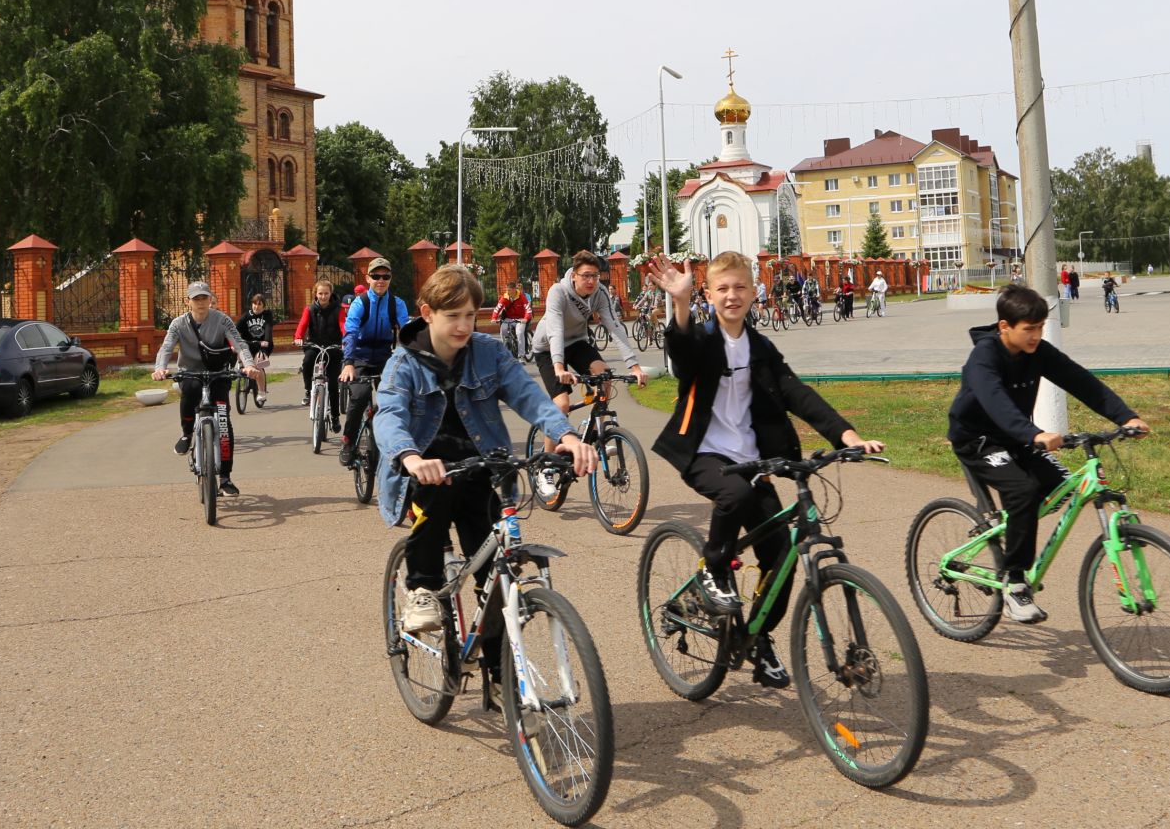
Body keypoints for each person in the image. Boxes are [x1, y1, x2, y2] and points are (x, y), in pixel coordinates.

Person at [646, 251, 883, 688]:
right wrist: (679, 305)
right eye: (722, 288)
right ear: (709, 294)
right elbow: (681, 353)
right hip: (705, 454)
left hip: (753, 460)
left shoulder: (761, 346)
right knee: (734, 495)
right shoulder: (703, 338)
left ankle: (757, 639)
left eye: (739, 287)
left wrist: (846, 436)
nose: (732, 295)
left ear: (754, 293)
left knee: (780, 557)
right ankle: (712, 570)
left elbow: (797, 392)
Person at [373, 267, 597, 667]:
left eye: (470, 315)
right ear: (427, 313)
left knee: (497, 574)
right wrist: (410, 457)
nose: (463, 325)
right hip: (428, 471)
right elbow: (389, 414)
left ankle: (500, 675)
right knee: (436, 498)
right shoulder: (403, 364)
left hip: (481, 468)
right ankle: (422, 587)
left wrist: (566, 436)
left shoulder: (488, 352)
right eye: (452, 315)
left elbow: (529, 395)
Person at [948, 284, 1149, 624]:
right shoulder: (984, 357)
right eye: (1029, 329)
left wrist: (1125, 416)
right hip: (979, 441)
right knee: (1023, 492)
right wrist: (1034, 434)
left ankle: (1011, 526)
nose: (1036, 335)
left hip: (1017, 437)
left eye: (1040, 327)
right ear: (1004, 327)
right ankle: (1014, 582)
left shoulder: (1038, 352)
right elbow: (995, 401)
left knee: (1061, 489)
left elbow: (1081, 381)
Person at [530, 250, 648, 496]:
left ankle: (600, 437)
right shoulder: (558, 292)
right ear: (574, 276)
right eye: (586, 276)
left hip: (577, 343)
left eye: (595, 276)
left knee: (605, 377)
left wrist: (634, 366)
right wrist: (559, 368)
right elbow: (555, 331)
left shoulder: (600, 293)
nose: (591, 281)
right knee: (561, 405)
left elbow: (614, 326)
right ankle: (545, 466)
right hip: (548, 348)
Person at [152, 281, 264, 496]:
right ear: (188, 302)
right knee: (191, 391)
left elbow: (239, 344)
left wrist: (248, 365)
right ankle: (186, 434)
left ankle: (225, 478)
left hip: (218, 373)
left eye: (204, 297)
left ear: (211, 299)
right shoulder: (178, 324)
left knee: (223, 421)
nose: (201, 302)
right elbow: (166, 347)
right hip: (190, 372)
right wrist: (160, 368)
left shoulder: (222, 320)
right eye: (196, 298)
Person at [340, 257, 411, 468]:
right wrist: (349, 363)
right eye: (376, 276)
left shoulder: (396, 304)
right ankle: (348, 442)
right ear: (368, 278)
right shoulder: (360, 303)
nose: (381, 280)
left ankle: (398, 444)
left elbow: (406, 333)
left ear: (390, 278)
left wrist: (408, 360)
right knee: (360, 396)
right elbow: (351, 332)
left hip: (384, 356)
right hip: (360, 357)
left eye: (385, 276)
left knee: (394, 400)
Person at [294, 278, 345, 410]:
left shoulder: (338, 309)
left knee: (333, 382)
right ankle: (308, 390)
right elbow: (302, 325)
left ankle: (334, 416)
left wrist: (345, 340)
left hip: (333, 347)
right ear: (315, 294)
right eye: (320, 293)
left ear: (331, 293)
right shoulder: (309, 309)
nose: (323, 296)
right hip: (314, 345)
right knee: (307, 362)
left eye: (326, 293)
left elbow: (343, 326)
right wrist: (298, 337)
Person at [235, 291, 276, 407]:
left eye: (259, 304)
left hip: (263, 345)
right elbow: (236, 330)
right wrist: (235, 341)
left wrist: (266, 341)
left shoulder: (267, 315)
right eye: (254, 304)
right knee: (242, 360)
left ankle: (262, 392)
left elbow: (268, 328)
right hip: (248, 344)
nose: (256, 307)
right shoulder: (246, 316)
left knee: (259, 364)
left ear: (263, 306)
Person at [491, 281, 531, 358]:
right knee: (503, 330)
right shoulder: (505, 297)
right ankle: (506, 348)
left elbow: (528, 309)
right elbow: (497, 308)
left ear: (513, 289)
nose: (507, 291)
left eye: (509, 290)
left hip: (520, 319)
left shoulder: (522, 297)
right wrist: (494, 318)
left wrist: (526, 318)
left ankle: (521, 355)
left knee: (519, 333)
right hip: (508, 319)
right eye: (507, 290)